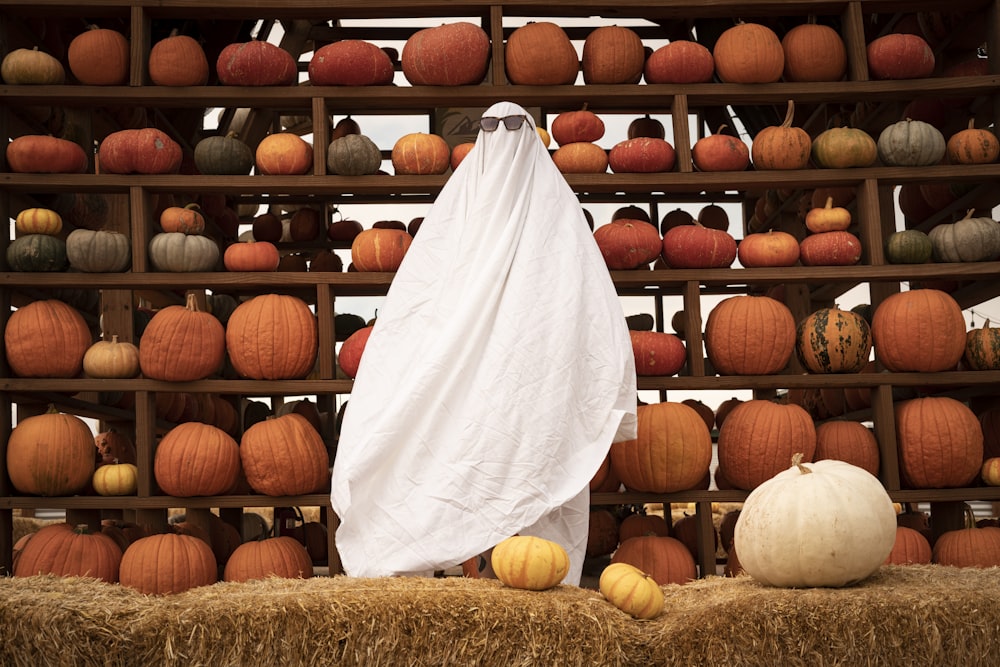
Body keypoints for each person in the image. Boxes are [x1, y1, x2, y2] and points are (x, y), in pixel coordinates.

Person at [330, 100, 637, 584]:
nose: (503, 135)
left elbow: (581, 298)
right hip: (461, 372)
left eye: (515, 126)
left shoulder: (557, 213)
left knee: (534, 469)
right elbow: (424, 296)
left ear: (532, 135)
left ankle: (535, 574)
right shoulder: (456, 212)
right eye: (491, 127)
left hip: (534, 373)